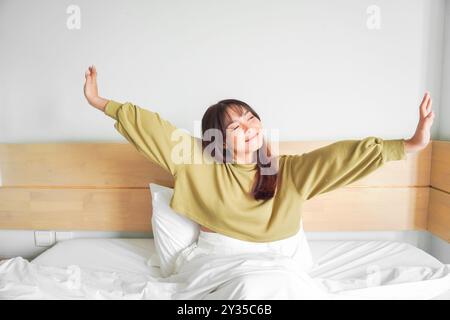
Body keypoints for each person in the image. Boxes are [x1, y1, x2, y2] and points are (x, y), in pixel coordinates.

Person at [83, 65, 435, 298]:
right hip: (220, 264)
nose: (249, 128)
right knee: (250, 290)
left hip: (280, 263)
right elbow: (152, 128)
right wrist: (102, 102)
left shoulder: (288, 172)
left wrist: (409, 144)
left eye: (252, 118)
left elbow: (341, 158)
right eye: (235, 126)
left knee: (281, 287)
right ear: (215, 139)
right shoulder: (196, 163)